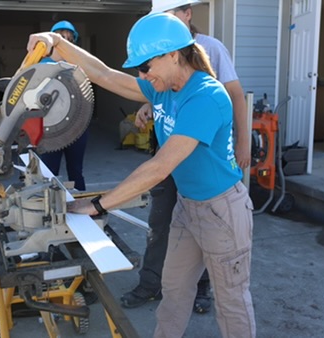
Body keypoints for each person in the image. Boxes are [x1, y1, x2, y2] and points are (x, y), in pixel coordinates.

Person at [27, 11, 256, 338]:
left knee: (231, 302)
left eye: (146, 66)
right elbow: (104, 75)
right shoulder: (162, 87)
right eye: (138, 68)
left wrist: (99, 205)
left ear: (174, 55)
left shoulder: (206, 95)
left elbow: (160, 166)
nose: (142, 74)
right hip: (188, 207)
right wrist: (56, 46)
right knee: (174, 290)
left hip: (222, 211)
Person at [121, 0, 250, 314]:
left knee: (215, 249)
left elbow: (232, 95)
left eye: (168, 15)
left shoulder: (210, 50)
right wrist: (149, 102)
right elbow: (158, 91)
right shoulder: (158, 53)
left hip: (201, 160)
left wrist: (243, 142)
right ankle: (152, 284)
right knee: (160, 225)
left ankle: (201, 290)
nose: (163, 22)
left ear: (187, 13)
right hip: (173, 159)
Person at [39, 20, 89, 191]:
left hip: (77, 127)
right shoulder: (42, 65)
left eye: (69, 39)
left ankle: (82, 208)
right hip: (51, 129)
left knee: (76, 172)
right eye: (61, 37)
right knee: (49, 173)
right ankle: (50, 212)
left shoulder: (80, 65)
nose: (65, 41)